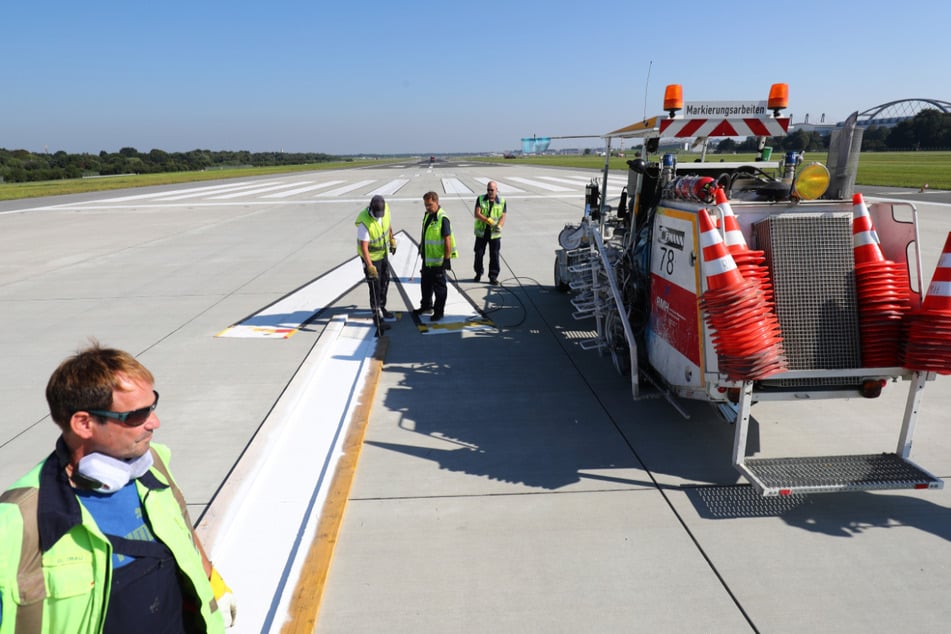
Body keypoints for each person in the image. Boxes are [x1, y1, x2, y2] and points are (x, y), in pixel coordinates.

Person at [0, 343, 236, 633]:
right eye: (136, 415)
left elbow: (183, 531)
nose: (154, 423)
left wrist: (212, 582)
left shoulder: (153, 465)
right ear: (84, 424)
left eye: (152, 406)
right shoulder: (19, 520)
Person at [414, 191, 457, 322]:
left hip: (438, 261)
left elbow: (447, 240)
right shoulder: (428, 215)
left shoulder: (443, 218)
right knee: (425, 285)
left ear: (436, 202)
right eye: (426, 205)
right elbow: (426, 234)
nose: (427, 207)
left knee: (439, 289)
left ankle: (439, 312)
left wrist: (447, 259)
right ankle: (426, 306)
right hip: (427, 260)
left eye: (430, 205)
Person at [356, 194, 397, 327]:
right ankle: (376, 315)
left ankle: (382, 307)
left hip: (383, 253)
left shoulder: (385, 211)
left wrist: (392, 239)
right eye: (377, 213)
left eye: (381, 213)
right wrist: (369, 266)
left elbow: (388, 224)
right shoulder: (365, 222)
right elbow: (364, 247)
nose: (379, 215)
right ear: (371, 208)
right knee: (375, 285)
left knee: (385, 280)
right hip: (371, 257)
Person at [472, 181, 506, 285]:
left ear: (496, 190)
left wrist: (499, 225)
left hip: (494, 234)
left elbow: (503, 216)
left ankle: (493, 276)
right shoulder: (481, 199)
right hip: (482, 233)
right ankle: (478, 273)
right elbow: (477, 214)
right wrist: (489, 221)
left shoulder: (502, 201)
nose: (490, 192)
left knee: (494, 255)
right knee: (479, 254)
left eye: (492, 190)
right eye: (488, 190)